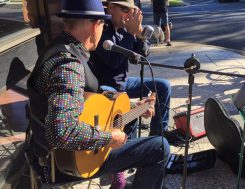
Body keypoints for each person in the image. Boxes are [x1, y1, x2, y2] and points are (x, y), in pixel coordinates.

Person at [26, 0, 170, 189]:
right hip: (59, 164)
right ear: (96, 25)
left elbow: (85, 105)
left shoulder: (62, 48)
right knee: (159, 147)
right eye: (103, 23)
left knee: (130, 120)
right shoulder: (68, 66)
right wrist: (109, 138)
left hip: (54, 155)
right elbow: (61, 132)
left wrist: (135, 108)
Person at [90, 0, 171, 137]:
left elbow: (141, 56)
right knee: (130, 112)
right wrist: (129, 34)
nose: (129, 15)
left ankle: (158, 135)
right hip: (106, 87)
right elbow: (113, 61)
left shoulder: (123, 29)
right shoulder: (101, 28)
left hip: (123, 82)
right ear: (111, 8)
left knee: (163, 86)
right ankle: (132, 146)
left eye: (132, 11)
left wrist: (139, 35)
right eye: (125, 10)